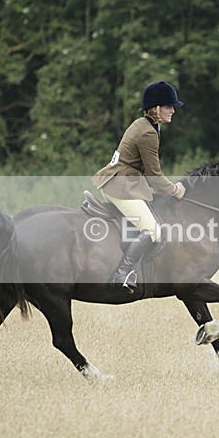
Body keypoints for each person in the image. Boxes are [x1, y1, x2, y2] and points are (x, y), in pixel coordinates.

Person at [91, 81, 187, 293]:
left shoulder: (146, 125)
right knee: (152, 230)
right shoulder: (148, 133)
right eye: (168, 106)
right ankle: (122, 273)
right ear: (155, 108)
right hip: (121, 186)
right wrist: (175, 190)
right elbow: (154, 175)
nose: (173, 110)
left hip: (123, 181)